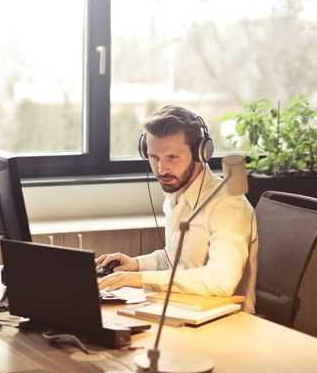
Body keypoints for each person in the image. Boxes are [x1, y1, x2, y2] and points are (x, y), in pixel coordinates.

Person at [97, 105, 258, 313]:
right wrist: (136, 264)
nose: (162, 170)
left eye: (172, 158)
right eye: (154, 157)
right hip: (184, 309)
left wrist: (139, 279)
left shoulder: (228, 204)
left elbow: (221, 281)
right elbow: (176, 260)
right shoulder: (177, 195)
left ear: (201, 153)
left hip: (227, 322)